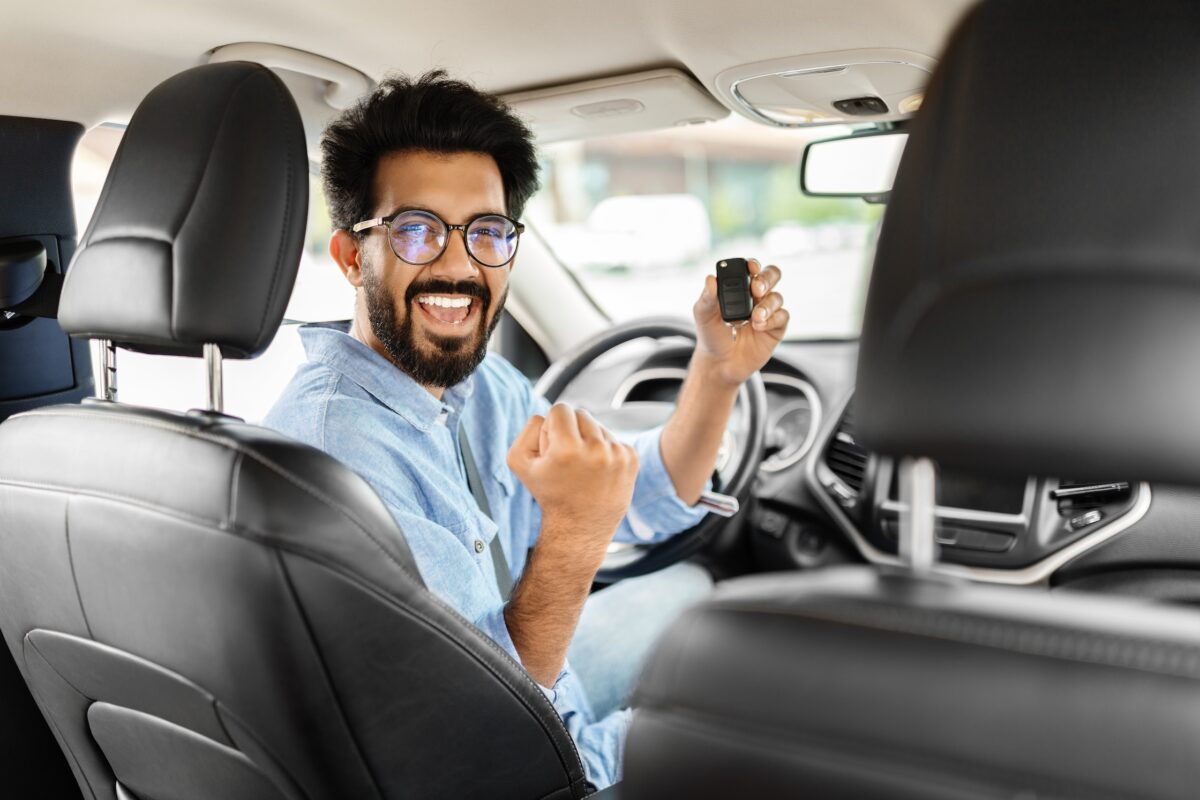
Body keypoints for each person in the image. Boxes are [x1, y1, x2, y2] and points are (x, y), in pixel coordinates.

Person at [264, 70, 790, 789]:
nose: (459, 266)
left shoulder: (468, 385)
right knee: (773, 716)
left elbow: (643, 493)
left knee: (696, 589)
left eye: (486, 232)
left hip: (536, 695)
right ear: (355, 257)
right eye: (417, 231)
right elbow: (482, 741)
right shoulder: (338, 454)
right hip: (517, 765)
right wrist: (574, 534)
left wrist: (717, 373)